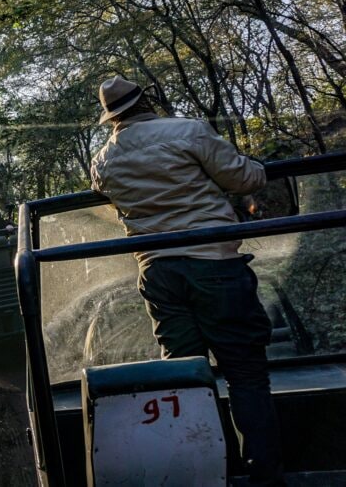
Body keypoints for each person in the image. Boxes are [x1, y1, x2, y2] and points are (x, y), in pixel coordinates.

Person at [90, 75, 283, 486]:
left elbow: (106, 191)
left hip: (158, 272)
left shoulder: (103, 159)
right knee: (246, 372)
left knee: (186, 376)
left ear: (112, 118)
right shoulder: (189, 130)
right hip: (213, 262)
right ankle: (264, 475)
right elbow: (245, 179)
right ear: (147, 100)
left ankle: (215, 472)